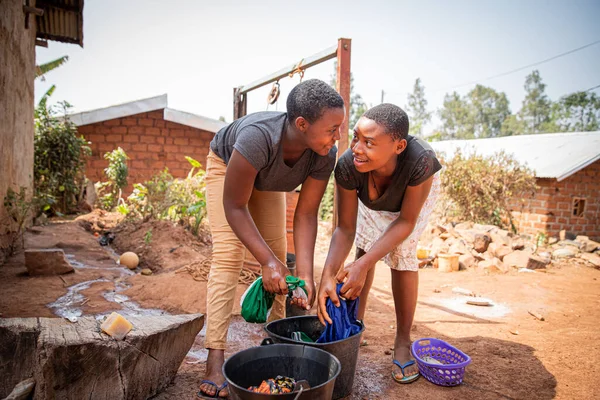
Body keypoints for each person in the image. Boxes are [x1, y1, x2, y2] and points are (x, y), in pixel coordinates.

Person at [199, 79, 345, 399]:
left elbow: (306, 214)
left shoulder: (323, 153)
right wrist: (264, 262)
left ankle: (279, 348)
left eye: (340, 128)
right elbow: (234, 206)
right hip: (229, 169)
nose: (338, 137)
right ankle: (214, 356)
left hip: (267, 181)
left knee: (281, 258)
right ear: (302, 124)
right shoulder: (258, 137)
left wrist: (304, 277)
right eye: (332, 129)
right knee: (229, 255)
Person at [317, 103, 441, 384]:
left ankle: (402, 340)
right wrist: (327, 275)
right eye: (356, 138)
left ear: (398, 147)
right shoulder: (350, 165)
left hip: (414, 198)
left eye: (369, 142)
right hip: (373, 202)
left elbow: (406, 221)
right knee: (364, 245)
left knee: (401, 252)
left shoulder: (420, 162)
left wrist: (365, 262)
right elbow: (345, 228)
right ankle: (355, 327)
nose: (357, 148)